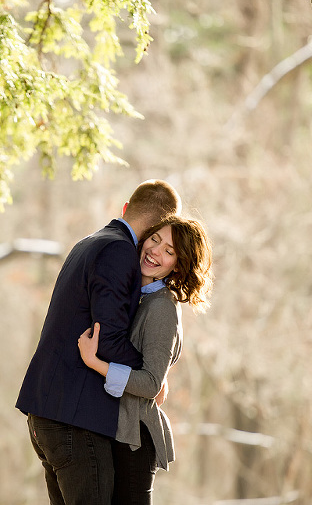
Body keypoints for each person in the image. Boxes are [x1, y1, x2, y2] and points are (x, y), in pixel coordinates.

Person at [16, 180, 182, 505]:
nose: (155, 251)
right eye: (156, 240)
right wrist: (150, 376)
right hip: (75, 421)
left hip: (48, 412)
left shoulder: (89, 242)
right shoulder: (119, 251)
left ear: (125, 208)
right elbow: (105, 338)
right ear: (155, 228)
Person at [78, 215, 213, 504]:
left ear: (178, 264)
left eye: (169, 251)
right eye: (155, 240)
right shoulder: (140, 297)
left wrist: (95, 363)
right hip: (123, 432)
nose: (156, 251)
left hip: (136, 439)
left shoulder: (162, 306)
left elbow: (151, 383)